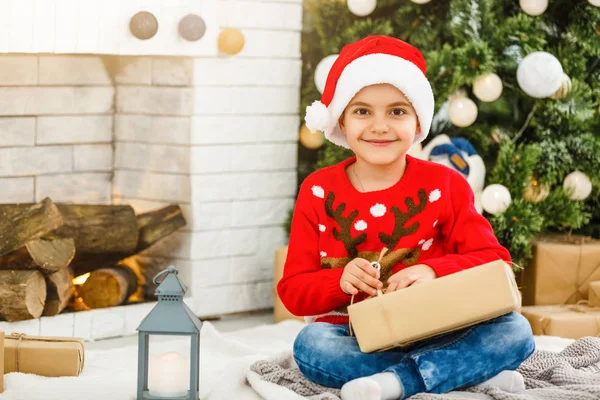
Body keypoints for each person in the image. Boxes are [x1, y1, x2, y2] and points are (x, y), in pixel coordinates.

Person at [277, 35, 535, 400]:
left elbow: (496, 260)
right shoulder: (318, 190)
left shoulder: (445, 184)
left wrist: (433, 271)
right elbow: (293, 291)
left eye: (397, 111)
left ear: (418, 123)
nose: (380, 126)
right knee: (311, 345)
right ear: (341, 121)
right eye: (362, 111)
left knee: (515, 331)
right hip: (354, 335)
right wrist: (340, 281)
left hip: (439, 325)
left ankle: (398, 383)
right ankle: (462, 373)